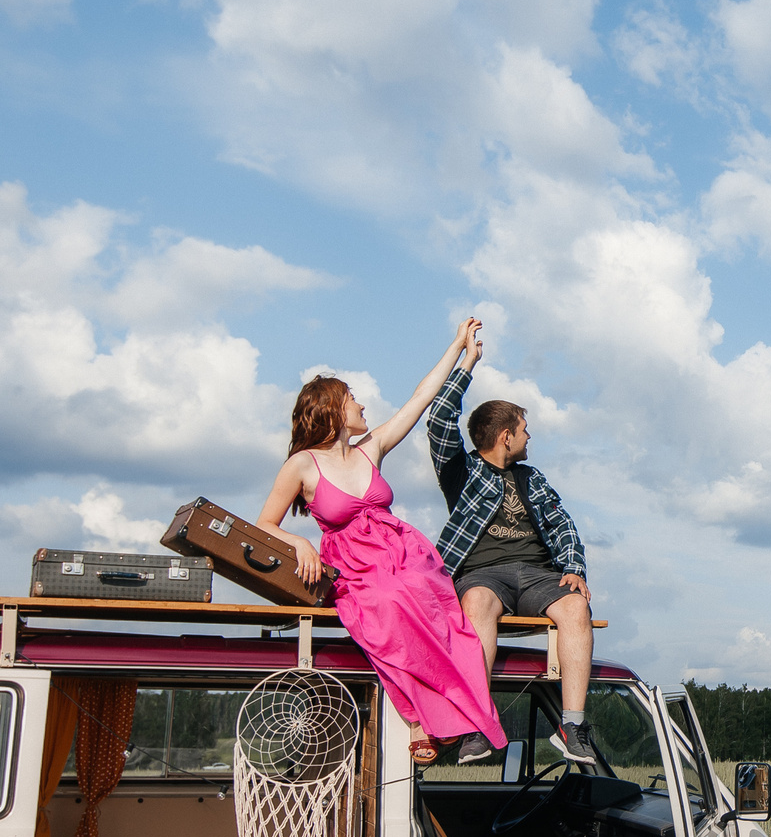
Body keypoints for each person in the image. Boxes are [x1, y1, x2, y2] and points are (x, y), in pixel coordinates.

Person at [253, 320, 508, 768]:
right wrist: (301, 544)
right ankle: (418, 720)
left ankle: (460, 721)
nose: (362, 404)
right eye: (353, 399)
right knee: (387, 609)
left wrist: (459, 351)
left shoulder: (372, 448)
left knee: (440, 614)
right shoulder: (301, 465)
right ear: (332, 409)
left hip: (405, 553)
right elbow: (263, 525)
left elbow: (421, 397)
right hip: (354, 565)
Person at [425, 326, 601, 769]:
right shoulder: (461, 471)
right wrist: (467, 362)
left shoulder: (533, 478)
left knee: (576, 607)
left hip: (538, 575)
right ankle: (476, 725)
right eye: (524, 429)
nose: (529, 437)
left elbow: (562, 523)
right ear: (505, 435)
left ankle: (572, 726)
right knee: (478, 602)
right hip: (483, 574)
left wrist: (574, 567)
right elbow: (439, 417)